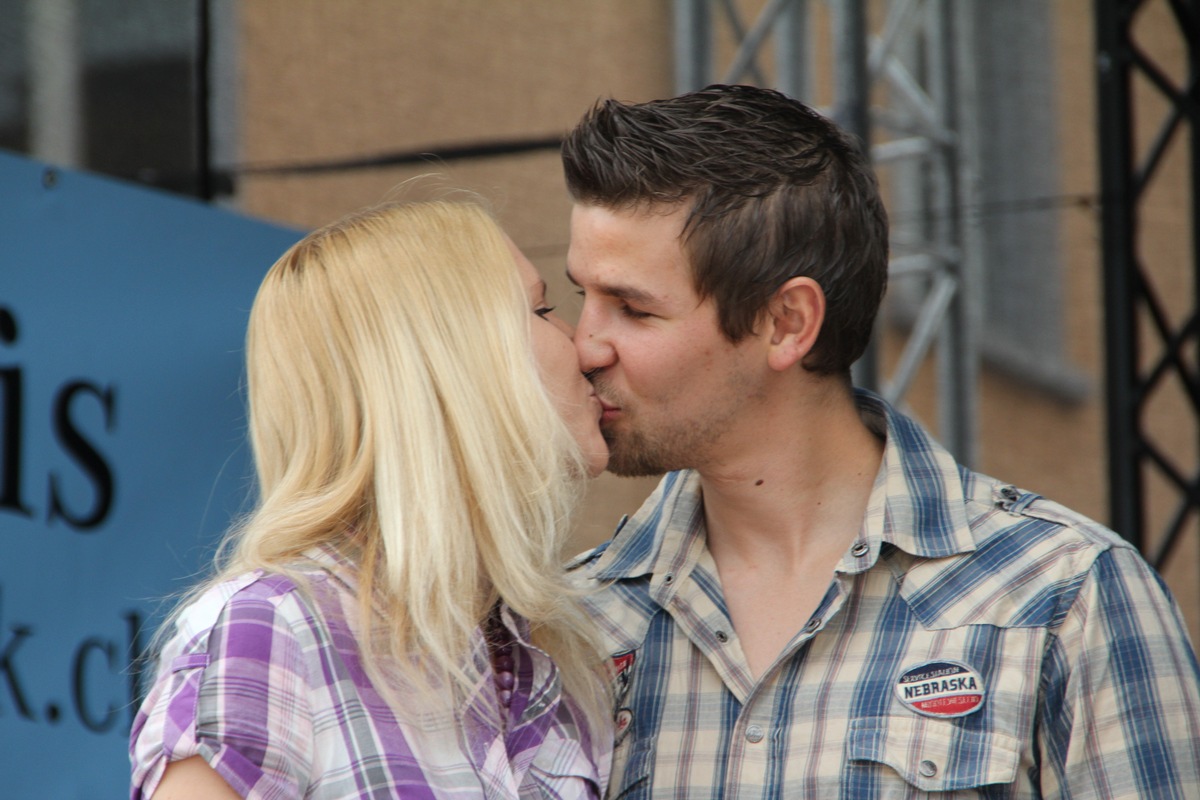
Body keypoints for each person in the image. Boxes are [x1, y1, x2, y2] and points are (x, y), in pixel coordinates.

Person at [561, 84, 1200, 798]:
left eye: (632, 309)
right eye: (578, 298)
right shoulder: (572, 623)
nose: (584, 346)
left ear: (787, 323)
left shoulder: (1065, 596)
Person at [129, 199, 613, 799]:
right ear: (450, 368)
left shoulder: (556, 662)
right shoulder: (273, 629)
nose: (586, 348)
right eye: (542, 310)